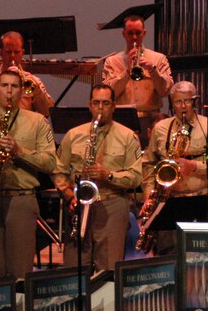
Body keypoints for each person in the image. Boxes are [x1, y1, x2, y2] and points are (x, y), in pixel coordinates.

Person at [0, 70, 56, 279]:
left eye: (14, 86)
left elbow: (51, 163)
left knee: (20, 271)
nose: (8, 91)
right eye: (4, 86)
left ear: (22, 91)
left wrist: (19, 151)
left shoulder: (38, 122)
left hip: (21, 198)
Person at [53, 84, 142, 272]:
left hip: (112, 203)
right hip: (78, 206)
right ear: (89, 105)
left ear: (114, 106)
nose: (100, 108)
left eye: (106, 103)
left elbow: (136, 177)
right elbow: (58, 171)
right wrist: (70, 196)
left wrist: (108, 175)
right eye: (96, 103)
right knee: (74, 269)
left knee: (108, 269)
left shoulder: (128, 137)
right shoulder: (74, 135)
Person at [139, 81, 208, 255]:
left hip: (200, 199)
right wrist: (149, 195)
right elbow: (149, 163)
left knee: (200, 256)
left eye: (187, 101)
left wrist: (194, 166)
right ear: (172, 104)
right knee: (168, 256)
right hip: (169, 201)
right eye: (178, 102)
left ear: (194, 101)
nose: (183, 106)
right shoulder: (161, 128)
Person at [101, 15, 175, 142]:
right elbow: (109, 95)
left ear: (144, 33)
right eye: (130, 33)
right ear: (123, 34)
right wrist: (127, 71)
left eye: (138, 33)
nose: (134, 37)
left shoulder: (158, 59)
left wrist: (153, 70)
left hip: (152, 119)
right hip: (123, 120)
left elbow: (165, 91)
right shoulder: (112, 61)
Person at [0, 31, 54, 117]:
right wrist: (2, 86)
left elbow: (47, 112)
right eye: (8, 52)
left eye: (16, 52)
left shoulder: (32, 80)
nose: (12, 56)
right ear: (1, 53)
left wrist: (35, 89)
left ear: (22, 53)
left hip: (24, 127)